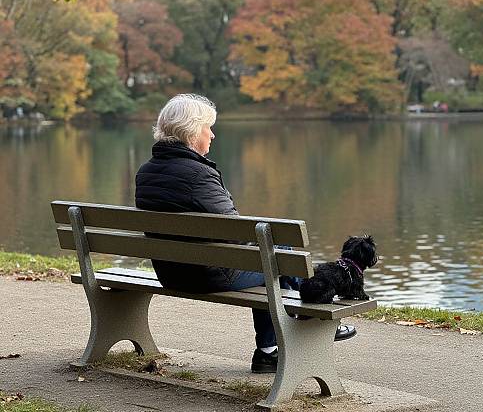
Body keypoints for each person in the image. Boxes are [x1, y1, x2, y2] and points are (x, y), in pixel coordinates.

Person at [135, 94, 356, 373]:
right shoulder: (198, 175)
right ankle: (316, 322)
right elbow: (234, 231)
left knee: (271, 258)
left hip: (171, 272)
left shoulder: (146, 171)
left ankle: (270, 351)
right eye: (208, 128)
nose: (212, 135)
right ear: (192, 132)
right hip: (207, 275)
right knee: (279, 253)